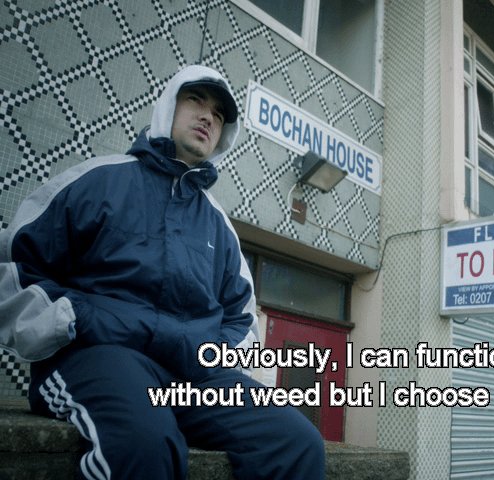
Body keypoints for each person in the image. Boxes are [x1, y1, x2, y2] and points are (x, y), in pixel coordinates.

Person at [0, 65, 325, 480]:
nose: (208, 117)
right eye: (196, 100)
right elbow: (16, 266)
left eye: (219, 114)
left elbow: (241, 319)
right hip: (99, 355)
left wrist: (212, 355)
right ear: (169, 104)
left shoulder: (219, 226)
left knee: (298, 441)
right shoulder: (99, 179)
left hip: (193, 377)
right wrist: (75, 317)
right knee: (146, 441)